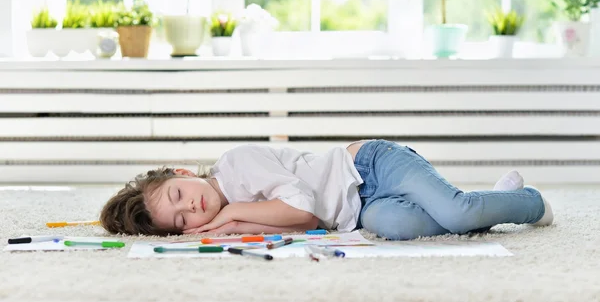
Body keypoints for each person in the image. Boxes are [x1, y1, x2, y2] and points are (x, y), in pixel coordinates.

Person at [100, 139, 553, 239]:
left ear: (183, 171)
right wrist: (232, 224)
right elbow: (315, 225)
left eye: (179, 194)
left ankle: (530, 202)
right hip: (360, 210)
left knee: (455, 214)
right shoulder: (230, 217)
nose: (192, 207)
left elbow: (302, 210)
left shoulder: (236, 166)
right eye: (182, 220)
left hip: (372, 165)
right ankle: (489, 202)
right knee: (396, 228)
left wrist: (226, 215)